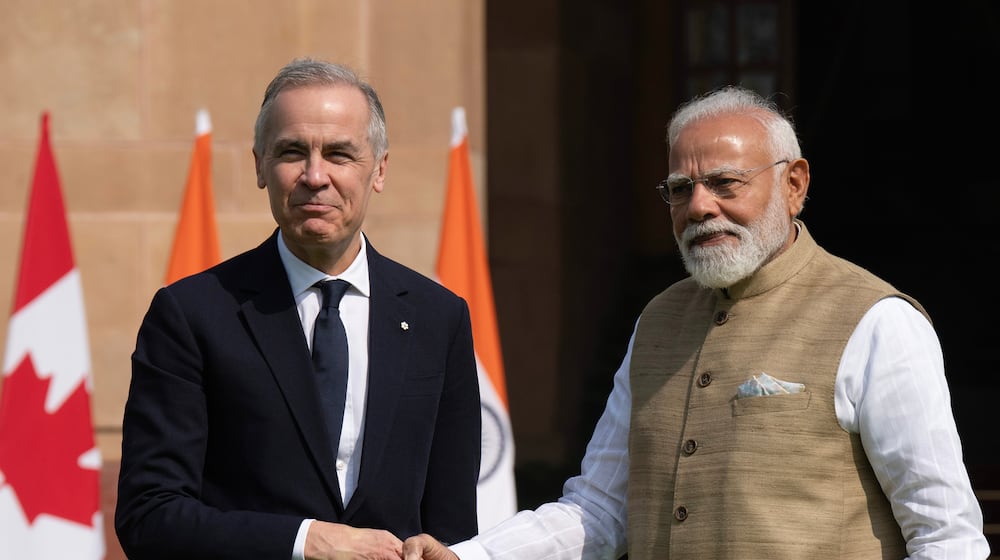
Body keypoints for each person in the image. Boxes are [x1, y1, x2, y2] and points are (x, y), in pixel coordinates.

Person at [402, 85, 991, 560]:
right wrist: (471, 557)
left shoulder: (877, 320)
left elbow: (946, 535)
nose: (700, 206)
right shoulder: (657, 321)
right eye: (680, 188)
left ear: (794, 185)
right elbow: (601, 509)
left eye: (725, 183)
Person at [115, 57, 482, 560]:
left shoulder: (439, 318)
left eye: (339, 154)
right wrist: (305, 541)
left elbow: (455, 527)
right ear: (260, 166)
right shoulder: (191, 314)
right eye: (292, 151)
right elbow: (150, 516)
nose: (315, 175)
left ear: (379, 170)